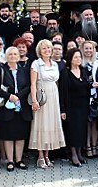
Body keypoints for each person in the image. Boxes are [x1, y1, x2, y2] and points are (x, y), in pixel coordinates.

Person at [0, 46, 32, 172]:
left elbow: (28, 86)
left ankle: (19, 160)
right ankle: (10, 161)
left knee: (20, 135)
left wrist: (18, 96)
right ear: (7, 56)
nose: (13, 56)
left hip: (21, 108)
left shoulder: (23, 70)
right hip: (6, 108)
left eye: (15, 54)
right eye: (11, 54)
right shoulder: (2, 70)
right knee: (8, 135)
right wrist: (9, 96)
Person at [29, 40, 66, 168]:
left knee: (51, 124)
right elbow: (33, 84)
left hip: (53, 97)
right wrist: (34, 100)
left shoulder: (55, 64)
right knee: (41, 124)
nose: (47, 50)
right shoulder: (36, 64)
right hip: (42, 97)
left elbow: (56, 82)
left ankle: (47, 155)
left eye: (49, 48)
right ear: (40, 50)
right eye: (44, 48)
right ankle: (40, 156)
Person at [59, 48, 91, 166]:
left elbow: (87, 86)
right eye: (76, 57)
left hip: (83, 105)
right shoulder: (65, 72)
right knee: (72, 131)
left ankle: (79, 153)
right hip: (71, 106)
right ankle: (73, 154)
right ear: (70, 59)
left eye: (79, 57)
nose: (78, 59)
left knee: (82, 130)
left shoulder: (83, 70)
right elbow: (62, 92)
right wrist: (63, 109)